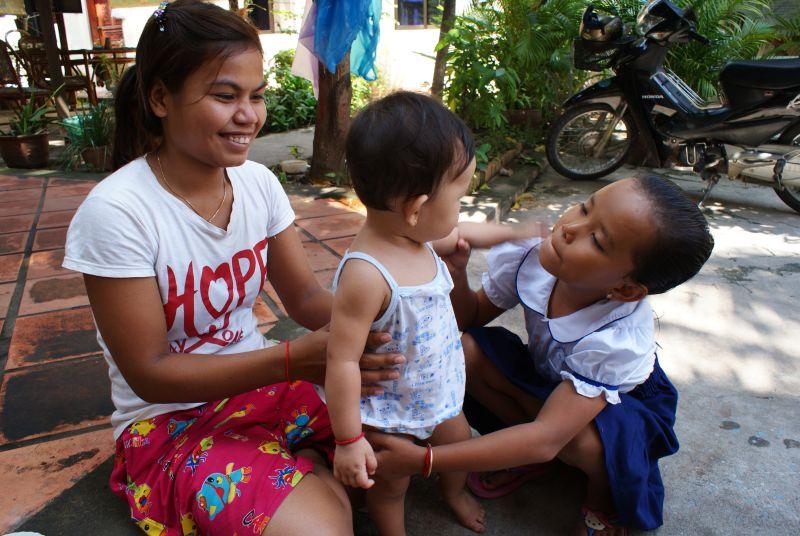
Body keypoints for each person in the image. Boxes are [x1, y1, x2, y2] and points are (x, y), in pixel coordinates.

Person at [62, 2, 400, 534]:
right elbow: (149, 370)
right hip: (172, 422)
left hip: (264, 387)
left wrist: (389, 309)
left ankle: (295, 471)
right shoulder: (117, 212)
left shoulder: (258, 184)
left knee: (402, 432)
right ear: (159, 99)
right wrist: (293, 360)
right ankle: (301, 476)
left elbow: (308, 302)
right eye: (225, 96)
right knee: (325, 527)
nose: (250, 115)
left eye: (257, 95)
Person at [369, 175, 715, 535]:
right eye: (585, 207)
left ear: (626, 288)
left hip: (619, 413)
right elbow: (469, 317)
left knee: (577, 440)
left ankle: (600, 501)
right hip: (550, 380)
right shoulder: (533, 258)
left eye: (596, 240)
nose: (570, 227)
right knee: (466, 351)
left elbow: (549, 436)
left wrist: (426, 460)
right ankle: (526, 455)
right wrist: (456, 271)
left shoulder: (617, 341)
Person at [323, 91, 537, 535]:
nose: (462, 213)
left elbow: (468, 235)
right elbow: (340, 359)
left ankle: (452, 491)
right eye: (460, 198)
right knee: (390, 484)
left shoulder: (415, 237)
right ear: (417, 208)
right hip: (389, 409)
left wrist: (518, 232)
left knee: (457, 439)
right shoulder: (368, 275)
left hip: (438, 392)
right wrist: (348, 440)